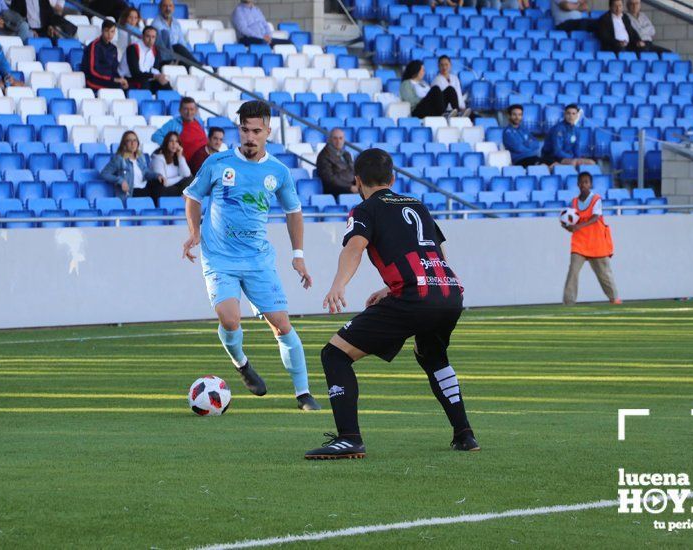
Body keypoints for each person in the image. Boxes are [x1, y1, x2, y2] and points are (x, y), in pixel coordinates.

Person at [304, 148, 478, 460]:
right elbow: (436, 255)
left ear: (357, 181)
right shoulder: (417, 205)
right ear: (393, 178)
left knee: (335, 354)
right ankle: (464, 434)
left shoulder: (365, 209)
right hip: (449, 292)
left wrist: (338, 285)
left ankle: (349, 438)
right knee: (433, 356)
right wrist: (390, 288)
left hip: (415, 297)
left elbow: (354, 248)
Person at [181, 100, 321, 411]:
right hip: (219, 257)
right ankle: (242, 365)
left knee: (282, 326)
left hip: (258, 261)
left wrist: (298, 255)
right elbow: (192, 196)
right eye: (244, 130)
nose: (250, 136)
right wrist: (194, 232)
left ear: (268, 132)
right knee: (230, 319)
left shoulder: (278, 172)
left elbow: (293, 212)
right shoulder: (218, 163)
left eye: (256, 131)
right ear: (239, 130)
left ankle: (303, 393)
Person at [562, 172, 620, 305]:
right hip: (580, 242)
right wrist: (567, 226)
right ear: (578, 184)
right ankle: (568, 301)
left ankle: (614, 298)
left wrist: (578, 226)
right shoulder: (574, 202)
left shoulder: (596, 199)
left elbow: (596, 218)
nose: (584, 184)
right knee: (573, 271)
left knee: (604, 273)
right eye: (581, 182)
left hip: (596, 241)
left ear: (591, 184)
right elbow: (571, 221)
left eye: (586, 182)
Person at [99, 130, 163, 200]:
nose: (133, 143)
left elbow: (146, 172)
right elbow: (104, 174)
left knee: (159, 186)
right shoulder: (119, 159)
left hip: (144, 189)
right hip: (131, 193)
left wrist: (157, 175)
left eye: (135, 140)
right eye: (129, 141)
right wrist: (120, 180)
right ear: (124, 144)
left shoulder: (140, 157)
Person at [151, 97, 207, 163]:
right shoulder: (173, 123)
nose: (189, 112)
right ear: (180, 110)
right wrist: (170, 145)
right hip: (185, 164)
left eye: (192, 109)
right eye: (186, 109)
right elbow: (155, 136)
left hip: (204, 163)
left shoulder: (199, 122)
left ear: (196, 110)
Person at [121, 26, 173, 93]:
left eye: (153, 37)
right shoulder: (133, 48)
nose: (150, 40)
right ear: (142, 36)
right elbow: (135, 73)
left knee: (165, 84)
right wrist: (154, 76)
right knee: (145, 83)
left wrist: (160, 77)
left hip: (145, 78)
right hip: (128, 79)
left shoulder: (155, 50)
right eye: (148, 36)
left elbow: (154, 69)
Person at [81, 20, 129, 91]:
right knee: (117, 86)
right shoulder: (94, 46)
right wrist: (112, 79)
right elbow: (93, 70)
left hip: (109, 80)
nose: (109, 34)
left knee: (127, 85)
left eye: (112, 31)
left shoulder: (113, 48)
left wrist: (120, 79)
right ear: (102, 31)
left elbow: (115, 68)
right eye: (107, 31)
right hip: (94, 80)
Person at [152, 0, 195, 66]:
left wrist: (185, 53)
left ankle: (198, 67)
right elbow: (163, 44)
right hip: (163, 54)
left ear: (173, 8)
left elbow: (181, 41)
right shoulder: (156, 23)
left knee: (185, 59)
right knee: (178, 47)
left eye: (170, 6)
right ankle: (199, 66)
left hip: (177, 54)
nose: (168, 8)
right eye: (165, 6)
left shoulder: (176, 23)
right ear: (160, 8)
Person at [316, 128, 356, 198]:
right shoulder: (323, 156)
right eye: (335, 138)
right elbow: (329, 179)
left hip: (350, 188)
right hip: (335, 192)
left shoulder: (347, 154)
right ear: (330, 139)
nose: (338, 141)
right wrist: (349, 187)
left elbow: (353, 172)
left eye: (341, 138)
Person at [152, 132, 193, 198]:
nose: (174, 144)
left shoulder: (178, 156)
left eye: (176, 141)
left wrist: (180, 156)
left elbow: (187, 174)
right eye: (171, 141)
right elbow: (164, 182)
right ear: (166, 143)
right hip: (163, 190)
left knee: (192, 180)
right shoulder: (158, 157)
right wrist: (181, 177)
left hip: (177, 188)